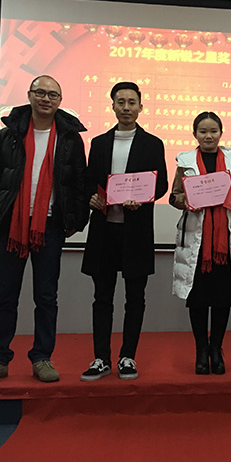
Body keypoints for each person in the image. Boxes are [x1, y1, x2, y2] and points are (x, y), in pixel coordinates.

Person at [0, 75, 88, 385]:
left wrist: (76, 220)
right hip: (12, 223)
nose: (46, 99)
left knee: (46, 296)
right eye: (41, 92)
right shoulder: (8, 135)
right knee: (5, 295)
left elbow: (79, 183)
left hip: (49, 226)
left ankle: (41, 357)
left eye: (53, 94)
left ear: (60, 101)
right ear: (30, 95)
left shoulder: (70, 139)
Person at [80, 82, 168, 381]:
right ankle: (101, 358)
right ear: (113, 106)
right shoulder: (100, 143)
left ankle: (128, 357)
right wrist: (91, 197)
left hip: (136, 231)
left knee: (135, 298)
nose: (126, 107)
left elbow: (161, 184)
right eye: (121, 102)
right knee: (102, 297)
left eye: (132, 102)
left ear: (141, 107)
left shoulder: (152, 143)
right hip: (104, 231)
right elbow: (89, 181)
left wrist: (142, 199)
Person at [170, 112, 231, 375]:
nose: (208, 136)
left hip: (224, 243)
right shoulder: (185, 160)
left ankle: (216, 349)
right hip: (196, 242)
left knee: (222, 299)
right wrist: (186, 201)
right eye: (203, 131)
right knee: (197, 299)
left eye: (213, 131)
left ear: (221, 132)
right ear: (195, 134)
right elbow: (174, 196)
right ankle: (201, 350)